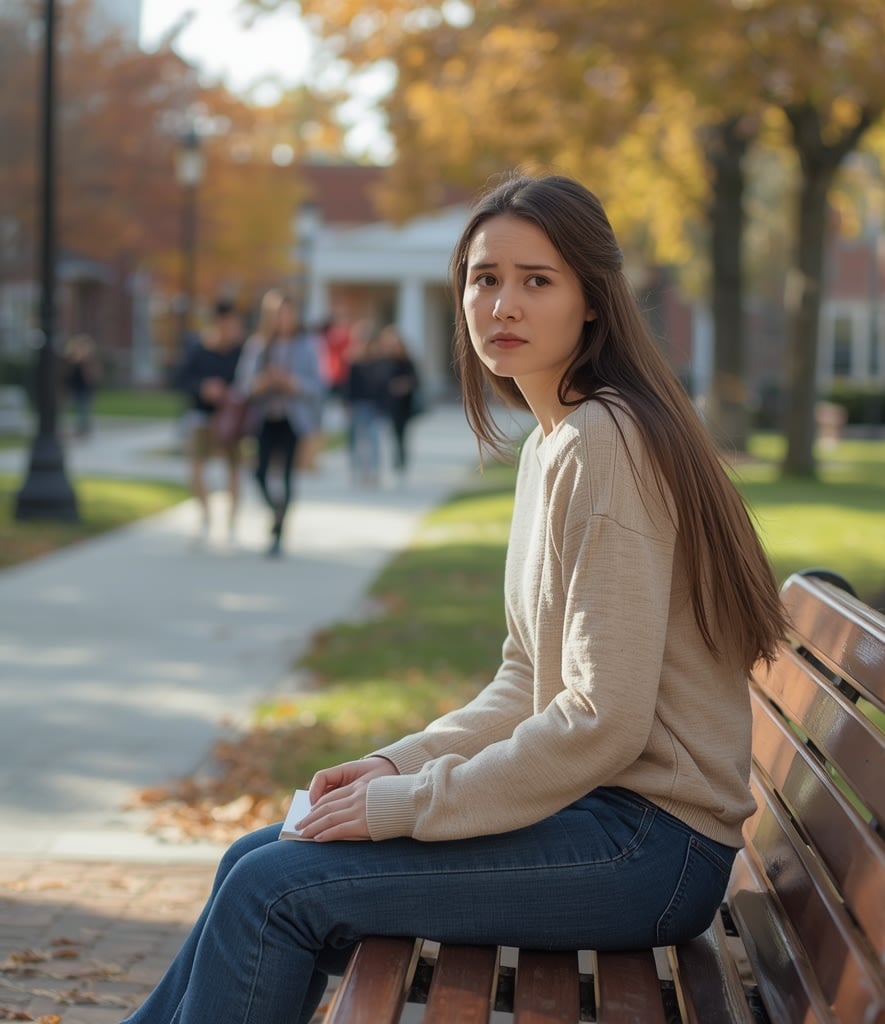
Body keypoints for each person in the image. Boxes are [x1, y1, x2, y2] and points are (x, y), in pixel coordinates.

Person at [120, 173, 787, 1024]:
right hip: (613, 823)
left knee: (274, 893)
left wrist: (408, 807)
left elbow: (601, 719)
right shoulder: (556, 442)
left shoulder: (605, 443)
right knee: (260, 856)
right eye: (484, 278)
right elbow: (524, 678)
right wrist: (395, 765)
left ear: (592, 301)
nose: (502, 303)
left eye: (536, 281)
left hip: (650, 850)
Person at [236, 289, 323, 557]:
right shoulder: (259, 346)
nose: (284, 319)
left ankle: (279, 534)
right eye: (279, 314)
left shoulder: (306, 345)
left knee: (286, 475)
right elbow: (243, 386)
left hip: (293, 420)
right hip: (265, 418)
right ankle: (276, 512)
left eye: (289, 313)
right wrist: (262, 383)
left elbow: (319, 386)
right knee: (259, 472)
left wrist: (291, 383)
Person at [174, 299, 245, 545]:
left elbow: (247, 382)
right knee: (195, 467)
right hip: (201, 415)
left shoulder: (242, 351)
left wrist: (229, 392)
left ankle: (232, 523)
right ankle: (205, 516)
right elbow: (181, 379)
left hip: (231, 418)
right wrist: (203, 387)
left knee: (234, 469)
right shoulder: (199, 349)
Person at [376, 323, 421, 476]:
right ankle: (387, 462)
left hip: (403, 405)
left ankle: (400, 462)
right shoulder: (382, 360)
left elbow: (416, 380)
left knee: (400, 434)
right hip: (386, 404)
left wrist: (404, 385)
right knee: (386, 434)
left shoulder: (406, 361)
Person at [344, 320, 384, 486]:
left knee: (373, 440)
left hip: (373, 406)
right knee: (355, 440)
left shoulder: (378, 362)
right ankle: (357, 471)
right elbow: (348, 386)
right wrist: (347, 404)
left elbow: (382, 386)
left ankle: (373, 473)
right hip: (358, 405)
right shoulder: (354, 362)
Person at [64, 333, 101, 438]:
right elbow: (68, 376)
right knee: (76, 409)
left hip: (85, 389)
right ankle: (79, 429)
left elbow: (93, 375)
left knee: (83, 410)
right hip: (75, 388)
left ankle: (84, 430)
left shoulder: (88, 360)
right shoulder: (72, 360)